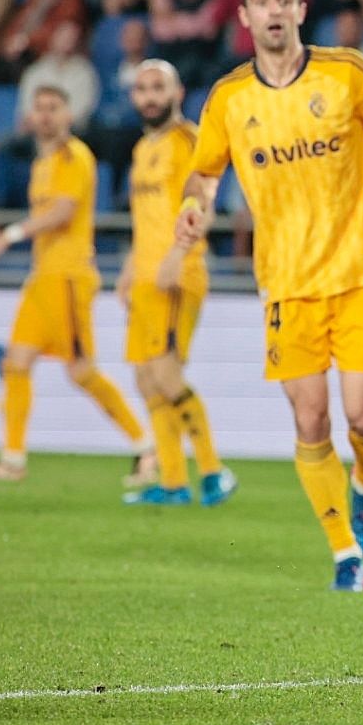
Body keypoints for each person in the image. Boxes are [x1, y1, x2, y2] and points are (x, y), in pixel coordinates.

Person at [175, 0, 363, 592]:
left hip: (360, 268)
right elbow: (204, 172)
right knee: (311, 422)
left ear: (300, 10)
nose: (275, 9)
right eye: (262, 0)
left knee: (362, 419)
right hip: (285, 282)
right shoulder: (230, 97)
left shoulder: (348, 73)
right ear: (245, 16)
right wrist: (193, 207)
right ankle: (344, 554)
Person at [0, 86, 152, 482]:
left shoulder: (73, 156)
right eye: (39, 108)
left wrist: (9, 236)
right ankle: (12, 460)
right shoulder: (42, 162)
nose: (45, 116)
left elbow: (63, 212)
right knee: (16, 364)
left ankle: (146, 448)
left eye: (53, 108)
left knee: (81, 371)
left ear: (68, 114)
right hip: (42, 276)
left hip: (68, 277)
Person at [116, 61, 237, 507]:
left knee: (166, 376)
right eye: (142, 88)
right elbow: (144, 219)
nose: (149, 96)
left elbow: (200, 203)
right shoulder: (142, 147)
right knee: (147, 380)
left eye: (158, 87)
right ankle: (172, 482)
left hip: (176, 271)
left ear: (177, 91)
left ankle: (212, 470)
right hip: (146, 273)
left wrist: (176, 254)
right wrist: (131, 267)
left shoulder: (187, 140)